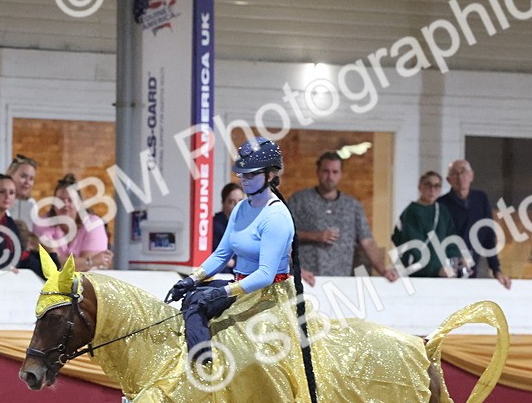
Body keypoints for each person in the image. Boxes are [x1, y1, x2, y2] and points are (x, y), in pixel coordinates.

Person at [167, 137, 297, 366]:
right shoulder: (241, 208)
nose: (243, 179)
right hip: (241, 285)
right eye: (241, 174)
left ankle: (203, 367)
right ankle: (198, 360)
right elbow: (221, 254)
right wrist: (192, 279)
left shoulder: (276, 217)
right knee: (191, 297)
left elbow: (266, 274)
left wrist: (223, 292)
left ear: (269, 175)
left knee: (198, 302)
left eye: (250, 174)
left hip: (267, 293)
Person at [287, 151, 398, 282]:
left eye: (335, 172)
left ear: (341, 175)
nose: (330, 176)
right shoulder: (299, 200)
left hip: (341, 280)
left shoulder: (352, 206)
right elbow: (284, 236)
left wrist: (383, 270)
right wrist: (315, 236)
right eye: (326, 171)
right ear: (318, 172)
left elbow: (367, 242)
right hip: (306, 278)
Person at [437, 159, 512, 288]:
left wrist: (496, 270)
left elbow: (488, 236)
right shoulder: (441, 204)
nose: (460, 177)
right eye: (455, 173)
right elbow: (438, 239)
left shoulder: (480, 199)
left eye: (463, 172)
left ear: (471, 176)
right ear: (448, 179)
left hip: (471, 268)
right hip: (446, 271)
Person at [33, 173, 113, 271]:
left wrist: (86, 263)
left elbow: (86, 271)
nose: (65, 204)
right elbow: (52, 263)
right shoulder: (43, 223)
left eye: (70, 200)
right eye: (60, 200)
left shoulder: (94, 224)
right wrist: (89, 262)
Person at [392, 171, 464, 277]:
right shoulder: (411, 212)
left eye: (437, 186)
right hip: (419, 274)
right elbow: (414, 247)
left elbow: (451, 238)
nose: (432, 190)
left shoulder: (442, 211)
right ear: (420, 187)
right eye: (428, 185)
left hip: (443, 274)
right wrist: (436, 270)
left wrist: (457, 260)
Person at [7, 154, 39, 221]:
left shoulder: (31, 203)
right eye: (23, 176)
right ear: (11, 175)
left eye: (31, 179)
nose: (27, 182)